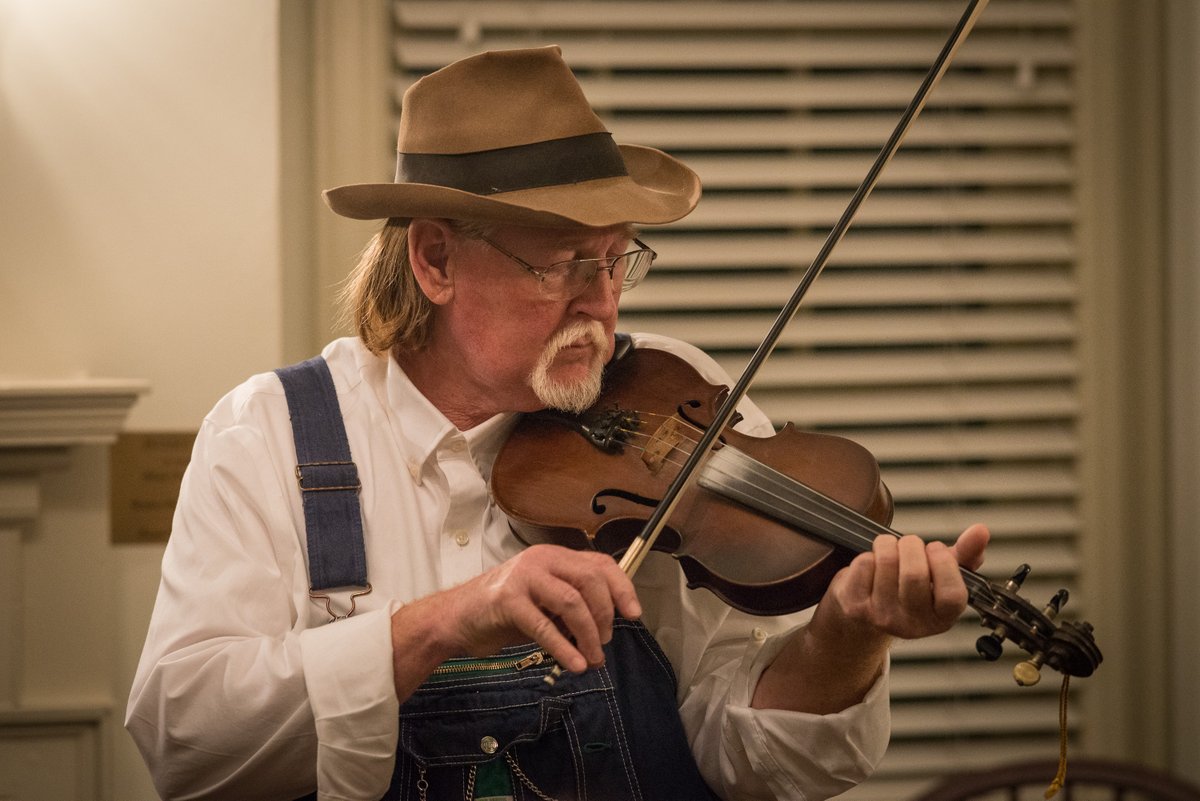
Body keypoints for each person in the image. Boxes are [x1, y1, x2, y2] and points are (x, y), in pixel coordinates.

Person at [126, 45, 989, 801]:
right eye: (564, 266)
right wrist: (443, 622)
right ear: (434, 260)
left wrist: (841, 642)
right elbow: (185, 741)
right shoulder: (267, 435)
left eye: (618, 260)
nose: (603, 303)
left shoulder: (672, 401)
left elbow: (743, 759)